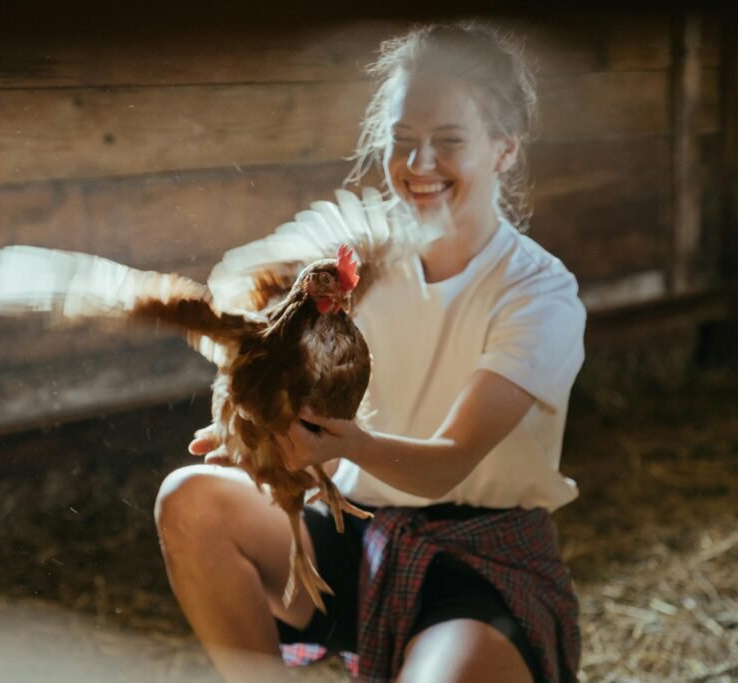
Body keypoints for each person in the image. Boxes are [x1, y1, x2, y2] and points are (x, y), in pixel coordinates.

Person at [155, 21, 585, 683]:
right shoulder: (359, 263)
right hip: (358, 530)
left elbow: (448, 463)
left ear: (504, 148)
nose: (419, 166)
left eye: (449, 142)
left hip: (476, 561)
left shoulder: (538, 292)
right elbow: (248, 298)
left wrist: (338, 441)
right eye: (403, 142)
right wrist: (266, 427)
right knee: (190, 500)